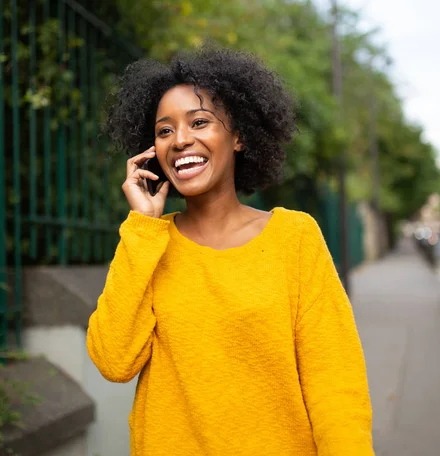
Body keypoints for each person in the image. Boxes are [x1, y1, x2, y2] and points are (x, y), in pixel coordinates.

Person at [86, 44, 373, 456]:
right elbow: (114, 362)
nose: (180, 140)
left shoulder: (294, 237)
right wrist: (143, 227)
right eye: (164, 131)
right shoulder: (147, 243)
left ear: (238, 136)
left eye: (199, 122)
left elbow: (335, 384)